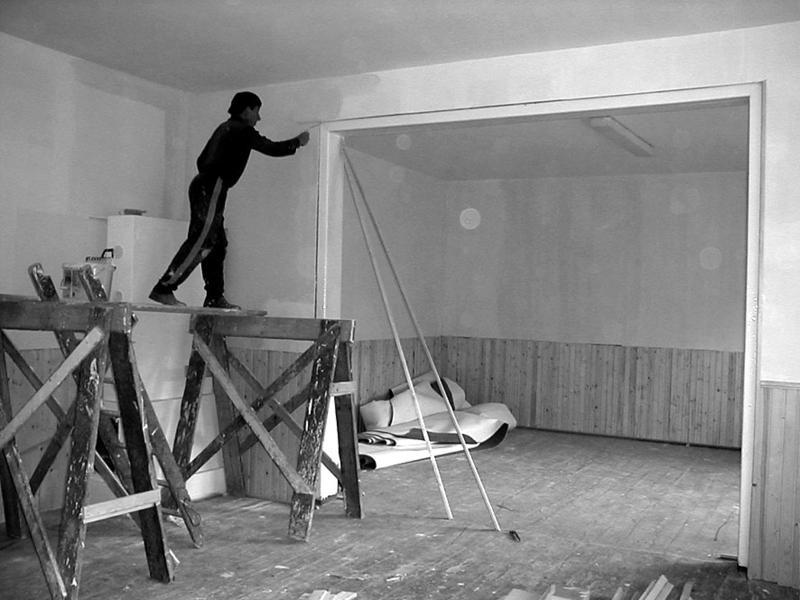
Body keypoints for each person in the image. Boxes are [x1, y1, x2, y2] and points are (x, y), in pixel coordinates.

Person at [149, 91, 310, 309]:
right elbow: (272, 148)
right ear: (247, 110)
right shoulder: (242, 130)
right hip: (213, 186)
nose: (258, 118)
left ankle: (214, 297)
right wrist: (298, 142)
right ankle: (164, 288)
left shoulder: (224, 128)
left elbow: (201, 160)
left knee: (216, 243)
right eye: (257, 111)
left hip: (207, 184)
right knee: (203, 240)